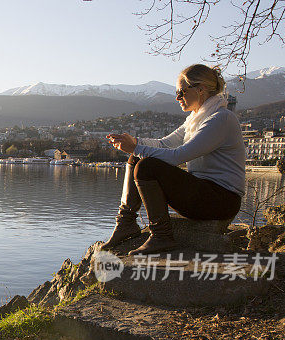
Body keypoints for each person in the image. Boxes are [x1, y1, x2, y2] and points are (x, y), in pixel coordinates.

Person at [102, 64, 246, 255]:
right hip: (203, 192)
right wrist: (134, 143)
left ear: (200, 89)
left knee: (146, 166)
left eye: (181, 92)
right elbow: (163, 144)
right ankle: (126, 223)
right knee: (137, 159)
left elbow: (180, 155)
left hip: (221, 200)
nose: (177, 98)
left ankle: (161, 236)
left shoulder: (221, 119)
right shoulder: (197, 118)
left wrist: (137, 147)